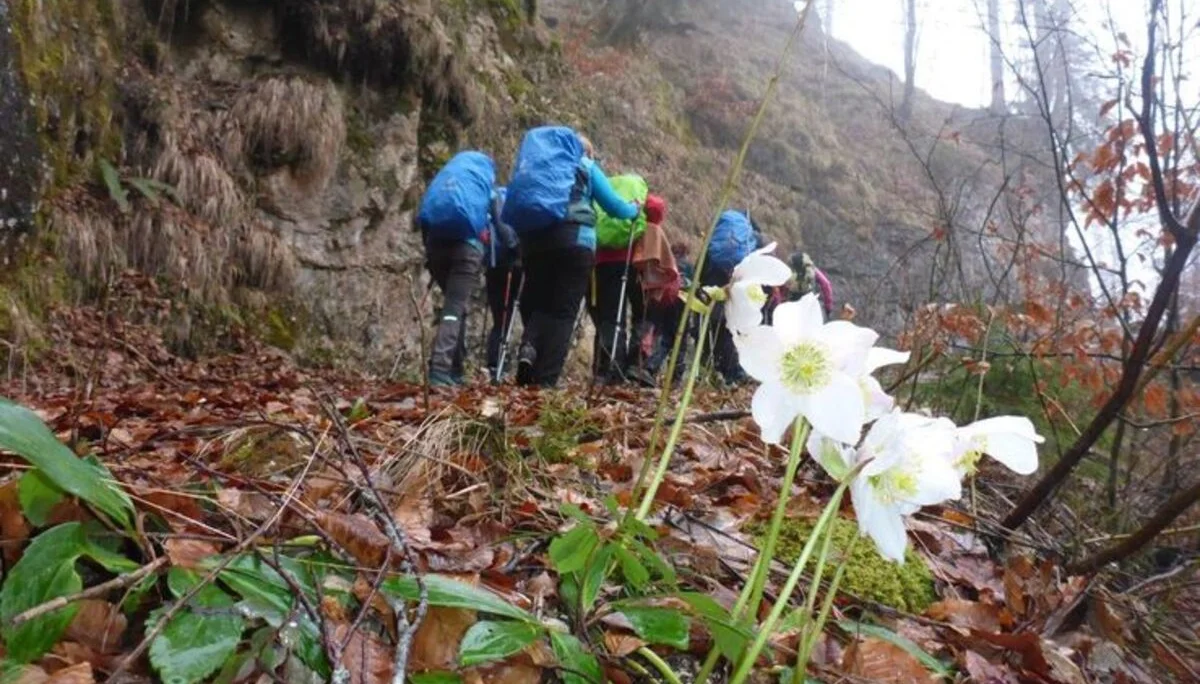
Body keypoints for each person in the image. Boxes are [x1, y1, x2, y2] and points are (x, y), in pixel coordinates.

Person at [501, 127, 640, 388]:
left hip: (534, 241)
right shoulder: (585, 165)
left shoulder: (538, 166)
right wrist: (634, 209)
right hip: (574, 241)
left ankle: (529, 349)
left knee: (540, 305)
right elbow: (614, 206)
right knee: (563, 312)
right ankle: (546, 381)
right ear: (586, 151)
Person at [416, 150, 495, 387]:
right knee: (454, 307)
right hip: (467, 250)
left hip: (436, 247)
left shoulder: (444, 182)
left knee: (456, 307)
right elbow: (496, 223)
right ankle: (440, 369)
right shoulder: (483, 187)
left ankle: (456, 370)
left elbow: (425, 217)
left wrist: (430, 253)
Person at [590, 176, 654, 386]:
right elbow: (657, 210)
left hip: (602, 262)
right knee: (642, 312)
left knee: (609, 316)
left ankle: (607, 369)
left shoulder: (604, 188)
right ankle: (635, 364)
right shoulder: (641, 194)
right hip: (634, 260)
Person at [700, 209, 758, 385]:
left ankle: (712, 367)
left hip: (713, 285)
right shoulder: (749, 240)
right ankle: (734, 372)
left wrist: (700, 286)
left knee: (713, 326)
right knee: (731, 329)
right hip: (736, 286)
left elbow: (702, 266)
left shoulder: (715, 240)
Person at [484, 187, 526, 382]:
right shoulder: (516, 199)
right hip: (514, 264)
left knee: (500, 317)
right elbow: (510, 236)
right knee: (518, 314)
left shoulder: (494, 198)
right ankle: (502, 363)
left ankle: (495, 363)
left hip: (493, 265)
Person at [647, 239, 692, 382]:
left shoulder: (666, 263)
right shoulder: (689, 267)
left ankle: (651, 367)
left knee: (664, 338)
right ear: (686, 252)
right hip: (682, 306)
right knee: (680, 341)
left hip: (664, 304)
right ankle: (675, 376)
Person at [787, 251, 835, 316]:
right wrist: (828, 307)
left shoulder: (788, 271)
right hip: (810, 302)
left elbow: (776, 292)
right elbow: (826, 284)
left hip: (792, 303)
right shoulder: (813, 270)